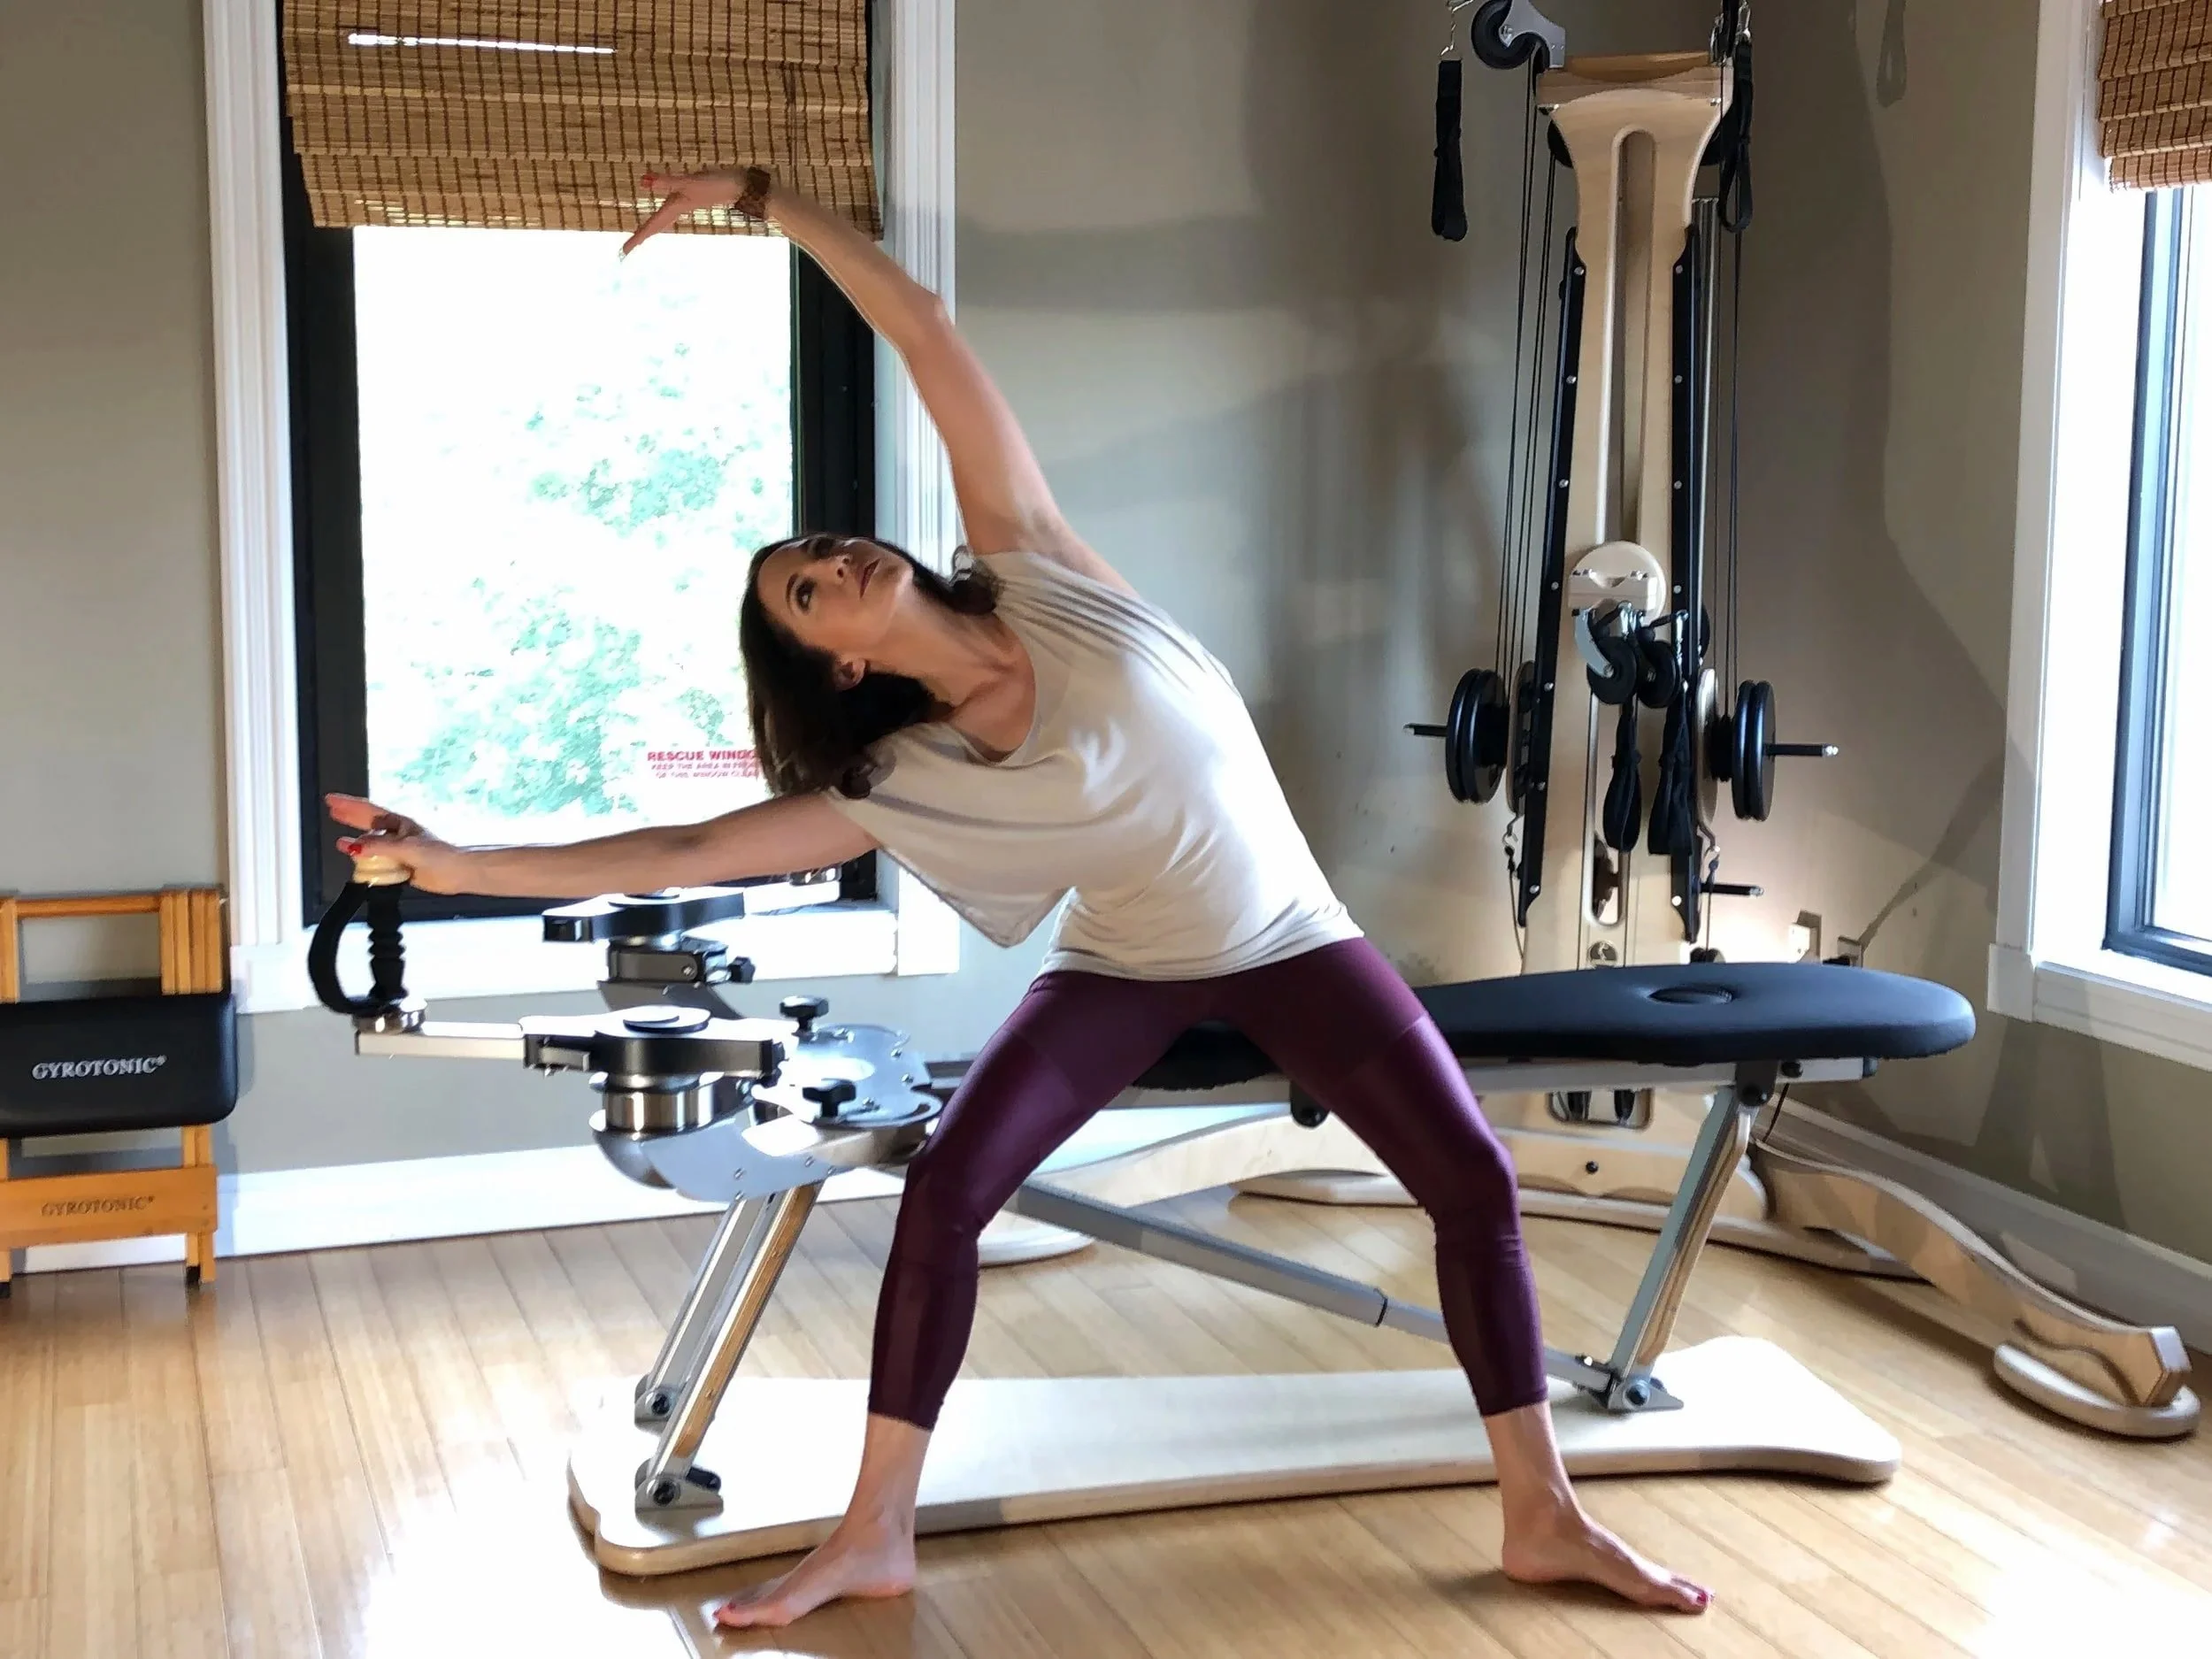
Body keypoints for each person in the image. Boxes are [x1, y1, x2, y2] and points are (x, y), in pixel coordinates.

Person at [327, 165, 1713, 1630]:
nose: (830, 562)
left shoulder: (1034, 564)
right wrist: (455, 862)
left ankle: (1543, 1513)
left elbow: (922, 330)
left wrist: (761, 197)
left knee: (1473, 1181)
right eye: (807, 595)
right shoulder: (899, 775)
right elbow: (676, 855)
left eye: (816, 550)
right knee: (943, 1192)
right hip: (1126, 963)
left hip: (1295, 938)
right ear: (837, 664)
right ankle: (874, 1532)